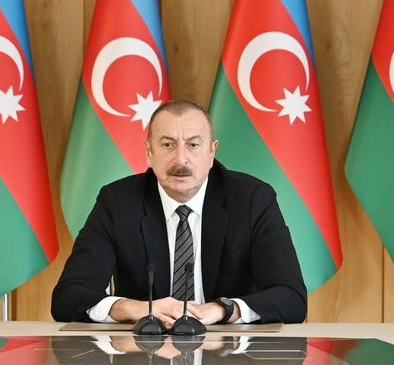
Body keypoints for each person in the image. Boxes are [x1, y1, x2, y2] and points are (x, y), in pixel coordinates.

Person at [51, 99, 307, 327]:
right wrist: (134, 309)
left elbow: (291, 298)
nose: (180, 159)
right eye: (167, 144)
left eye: (193, 145)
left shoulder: (252, 200)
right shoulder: (118, 202)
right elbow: (67, 296)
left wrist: (223, 309)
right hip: (144, 349)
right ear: (149, 152)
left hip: (230, 348)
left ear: (212, 152)